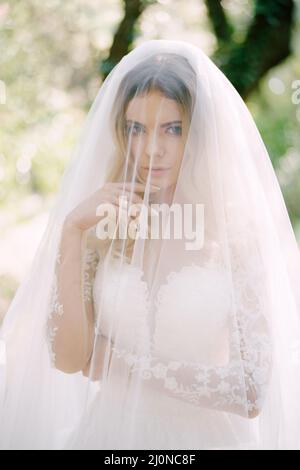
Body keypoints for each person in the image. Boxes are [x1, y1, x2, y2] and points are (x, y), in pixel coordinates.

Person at [1, 39, 300, 450]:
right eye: (136, 129)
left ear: (198, 134)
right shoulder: (99, 228)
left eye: (172, 129)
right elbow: (70, 358)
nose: (151, 150)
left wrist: (116, 361)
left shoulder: (234, 235)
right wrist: (71, 232)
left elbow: (250, 391)